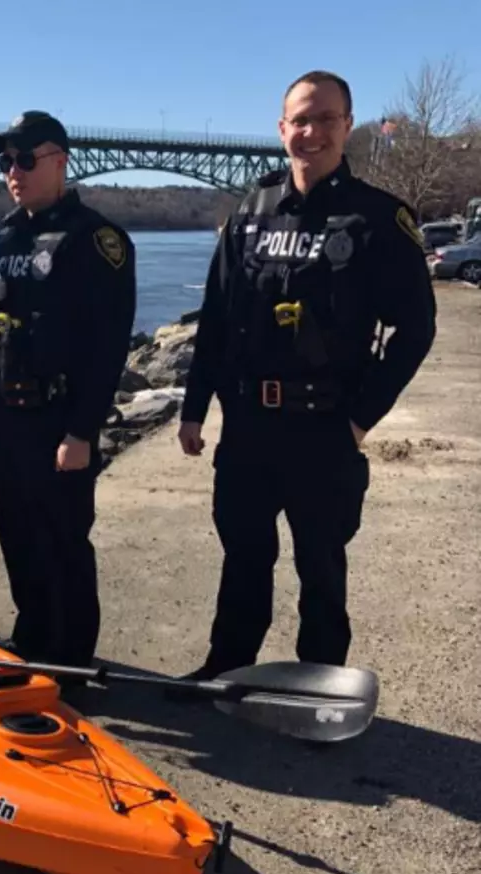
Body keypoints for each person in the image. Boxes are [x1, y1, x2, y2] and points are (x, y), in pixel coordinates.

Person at [177, 70, 437, 680]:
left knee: (320, 563)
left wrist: (359, 418)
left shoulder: (377, 220)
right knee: (243, 554)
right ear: (281, 129)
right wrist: (194, 408)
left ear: (347, 126)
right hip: (247, 424)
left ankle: (320, 681)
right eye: (300, 119)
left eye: (326, 119)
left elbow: (416, 329)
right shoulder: (250, 212)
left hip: (325, 428)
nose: (311, 131)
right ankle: (228, 667)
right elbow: (217, 318)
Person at [0, 111, 136, 676]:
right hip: (6, 423)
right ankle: (31, 640)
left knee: (63, 545)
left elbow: (108, 348)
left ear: (60, 161)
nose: (14, 171)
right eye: (6, 161)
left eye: (26, 159)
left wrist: (83, 430)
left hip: (58, 421)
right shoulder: (7, 238)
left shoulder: (96, 240)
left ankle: (72, 660)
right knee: (17, 539)